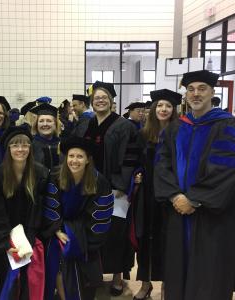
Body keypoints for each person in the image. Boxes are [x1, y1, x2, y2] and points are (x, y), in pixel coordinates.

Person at [154, 70, 235, 300]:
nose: (196, 94)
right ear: (186, 94)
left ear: (212, 92)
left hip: (212, 218)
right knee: (178, 274)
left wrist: (194, 199)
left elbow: (233, 171)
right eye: (191, 89)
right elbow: (161, 165)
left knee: (209, 276)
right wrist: (175, 196)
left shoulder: (228, 126)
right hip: (179, 213)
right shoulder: (175, 128)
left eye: (202, 89)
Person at [82, 81, 138, 296]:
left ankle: (117, 277)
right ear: (92, 102)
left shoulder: (124, 126)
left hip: (116, 189)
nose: (100, 100)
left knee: (116, 233)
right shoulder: (85, 125)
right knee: (93, 230)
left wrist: (122, 183)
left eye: (104, 96)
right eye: (96, 97)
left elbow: (131, 157)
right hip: (88, 188)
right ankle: (93, 274)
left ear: (112, 101)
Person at [43, 136, 114, 300]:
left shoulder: (99, 181)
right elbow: (51, 207)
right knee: (58, 261)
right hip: (59, 232)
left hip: (87, 236)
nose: (75, 161)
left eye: (80, 156)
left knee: (86, 272)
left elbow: (101, 217)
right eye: (71, 156)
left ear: (88, 160)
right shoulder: (55, 175)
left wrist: (81, 240)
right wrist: (58, 230)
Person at [0, 125, 49, 298]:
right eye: (15, 145)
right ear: (8, 148)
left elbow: (40, 208)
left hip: (33, 236)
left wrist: (31, 237)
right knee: (8, 281)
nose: (21, 149)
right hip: (5, 239)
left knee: (29, 281)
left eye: (25, 145)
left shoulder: (40, 173)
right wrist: (5, 242)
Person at [133, 89, 181, 300]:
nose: (163, 109)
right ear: (154, 109)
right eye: (160, 105)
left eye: (168, 106)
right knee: (145, 239)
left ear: (174, 110)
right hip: (147, 195)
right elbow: (135, 163)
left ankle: (167, 288)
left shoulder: (181, 133)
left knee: (169, 242)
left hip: (170, 195)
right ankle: (146, 284)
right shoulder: (144, 134)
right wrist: (137, 175)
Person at [30, 103, 62, 170]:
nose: (45, 124)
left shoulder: (61, 145)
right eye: (41, 121)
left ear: (55, 124)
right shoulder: (31, 145)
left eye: (49, 121)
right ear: (36, 125)